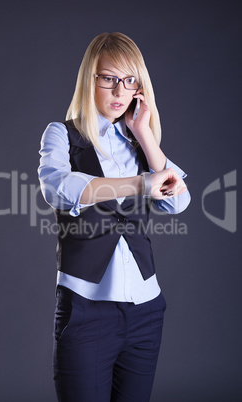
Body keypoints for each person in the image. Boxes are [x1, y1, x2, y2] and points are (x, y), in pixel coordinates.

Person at [38, 32, 190, 402]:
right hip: (86, 310)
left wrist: (145, 134)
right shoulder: (62, 134)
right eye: (108, 78)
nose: (119, 91)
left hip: (146, 312)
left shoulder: (139, 144)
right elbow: (59, 190)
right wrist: (140, 183)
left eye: (129, 80)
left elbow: (178, 203)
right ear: (90, 79)